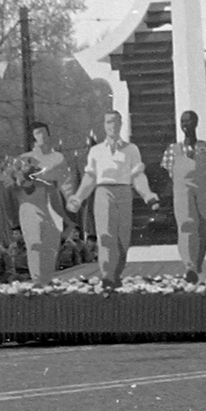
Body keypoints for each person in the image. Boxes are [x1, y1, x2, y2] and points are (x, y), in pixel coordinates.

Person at [67, 111, 160, 289]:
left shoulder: (131, 149)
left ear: (121, 124)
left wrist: (147, 194)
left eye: (116, 122)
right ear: (104, 125)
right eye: (109, 122)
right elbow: (90, 177)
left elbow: (137, 176)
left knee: (123, 239)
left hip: (124, 193)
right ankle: (107, 276)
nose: (113, 126)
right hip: (103, 192)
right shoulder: (96, 151)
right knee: (106, 237)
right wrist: (78, 197)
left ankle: (116, 274)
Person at [161, 110, 206, 283]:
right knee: (187, 226)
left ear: (196, 123)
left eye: (189, 121)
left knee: (204, 227)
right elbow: (164, 176)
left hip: (203, 193)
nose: (185, 125)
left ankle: (198, 265)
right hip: (183, 194)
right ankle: (189, 266)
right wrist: (159, 195)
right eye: (182, 121)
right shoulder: (173, 150)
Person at [16, 121, 76, 285]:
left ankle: (46, 282)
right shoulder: (24, 159)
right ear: (31, 138)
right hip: (31, 203)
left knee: (50, 245)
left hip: (52, 203)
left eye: (43, 132)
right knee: (35, 243)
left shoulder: (58, 158)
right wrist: (24, 179)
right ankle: (37, 281)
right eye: (37, 133)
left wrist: (70, 198)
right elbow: (16, 183)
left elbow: (65, 181)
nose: (41, 136)